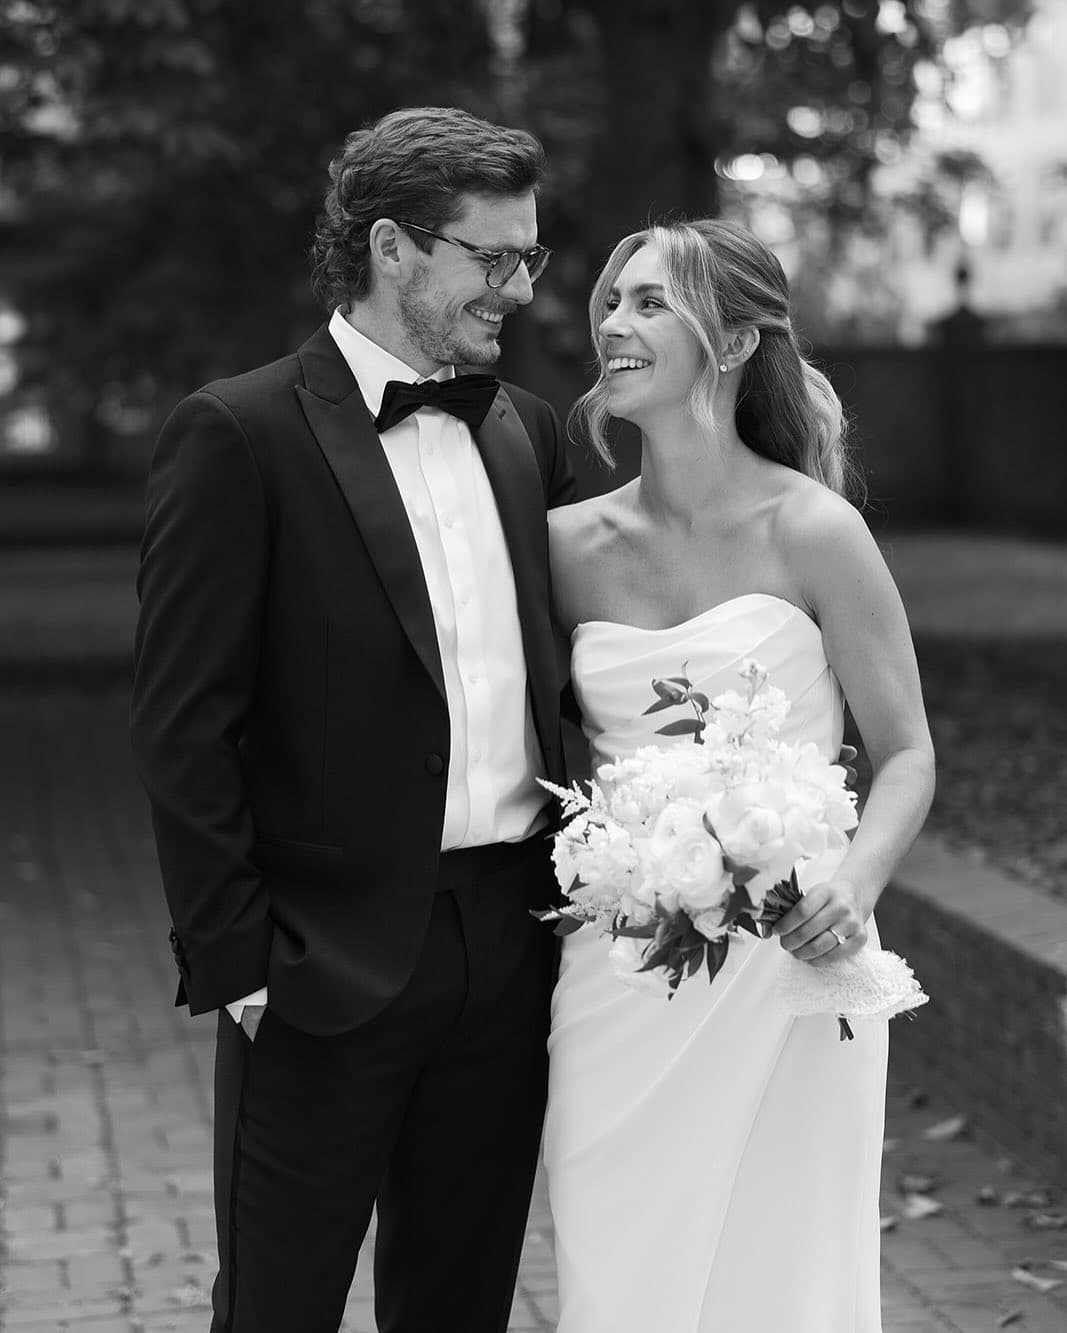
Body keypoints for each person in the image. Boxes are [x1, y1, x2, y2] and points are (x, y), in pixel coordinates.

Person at [130, 106, 575, 1333]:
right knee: (276, 1309)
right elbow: (182, 727)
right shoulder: (238, 432)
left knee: (458, 1304)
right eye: (492, 259)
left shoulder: (524, 431)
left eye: (526, 259)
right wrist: (242, 967)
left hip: (504, 945)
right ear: (392, 246)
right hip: (318, 965)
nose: (517, 290)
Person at [543, 219, 935, 1332]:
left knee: (783, 1274)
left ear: (731, 341)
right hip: (619, 976)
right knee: (619, 1270)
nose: (614, 323)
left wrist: (850, 885)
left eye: (651, 302)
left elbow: (905, 752)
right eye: (612, 301)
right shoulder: (565, 545)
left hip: (791, 964)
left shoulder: (816, 530)